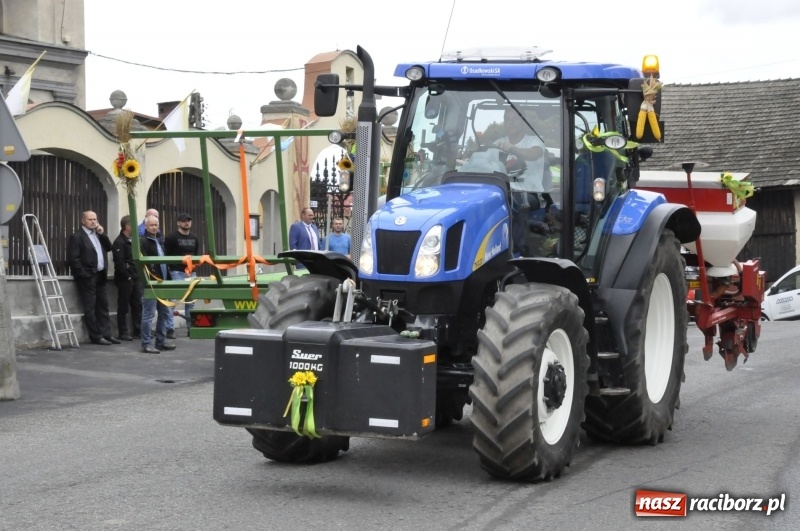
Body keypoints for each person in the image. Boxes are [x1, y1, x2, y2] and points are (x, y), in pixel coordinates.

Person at [494, 108, 548, 256]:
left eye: (515, 119)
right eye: (507, 119)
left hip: (531, 194)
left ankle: (518, 252)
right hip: (504, 193)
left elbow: (534, 154)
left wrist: (514, 149)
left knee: (513, 199)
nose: (511, 123)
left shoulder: (534, 141)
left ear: (523, 122)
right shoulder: (499, 143)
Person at [66, 210, 119, 346]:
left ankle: (106, 334)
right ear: (83, 221)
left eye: (95, 219)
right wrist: (83, 273)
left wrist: (103, 234)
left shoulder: (97, 234)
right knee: (90, 307)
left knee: (103, 306)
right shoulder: (77, 237)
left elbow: (109, 248)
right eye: (90, 219)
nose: (93, 222)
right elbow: (74, 258)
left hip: (101, 275)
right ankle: (95, 336)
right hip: (88, 277)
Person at [139, 214, 176, 354]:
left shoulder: (159, 240)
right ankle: (146, 343)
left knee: (164, 313)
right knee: (148, 314)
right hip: (151, 283)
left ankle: (160, 341)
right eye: (151, 225)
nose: (154, 227)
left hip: (164, 281)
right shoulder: (142, 241)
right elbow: (143, 263)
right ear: (146, 226)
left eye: (156, 225)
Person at [164, 212, 200, 337]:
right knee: (172, 301)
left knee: (191, 302)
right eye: (184, 220)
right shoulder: (171, 237)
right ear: (178, 223)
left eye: (189, 220)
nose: (187, 222)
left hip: (191, 273)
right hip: (176, 272)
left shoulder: (194, 238)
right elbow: (166, 255)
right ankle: (169, 329)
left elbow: (196, 255)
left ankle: (191, 328)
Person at [112, 215, 142, 341]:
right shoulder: (119, 242)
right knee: (123, 306)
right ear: (127, 226)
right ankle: (123, 332)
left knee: (137, 305)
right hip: (125, 279)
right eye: (134, 225)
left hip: (135, 277)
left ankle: (138, 330)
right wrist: (128, 276)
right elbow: (119, 263)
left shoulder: (133, 240)